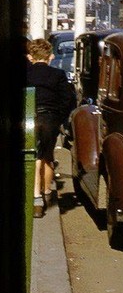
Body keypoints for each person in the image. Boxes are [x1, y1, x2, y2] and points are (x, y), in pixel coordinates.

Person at [26, 38, 77, 218]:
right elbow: (68, 100)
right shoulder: (58, 75)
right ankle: (46, 192)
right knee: (47, 155)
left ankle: (36, 198)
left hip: (29, 118)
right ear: (51, 56)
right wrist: (58, 119)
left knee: (33, 155)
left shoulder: (24, 73)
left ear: (30, 57)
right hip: (49, 119)